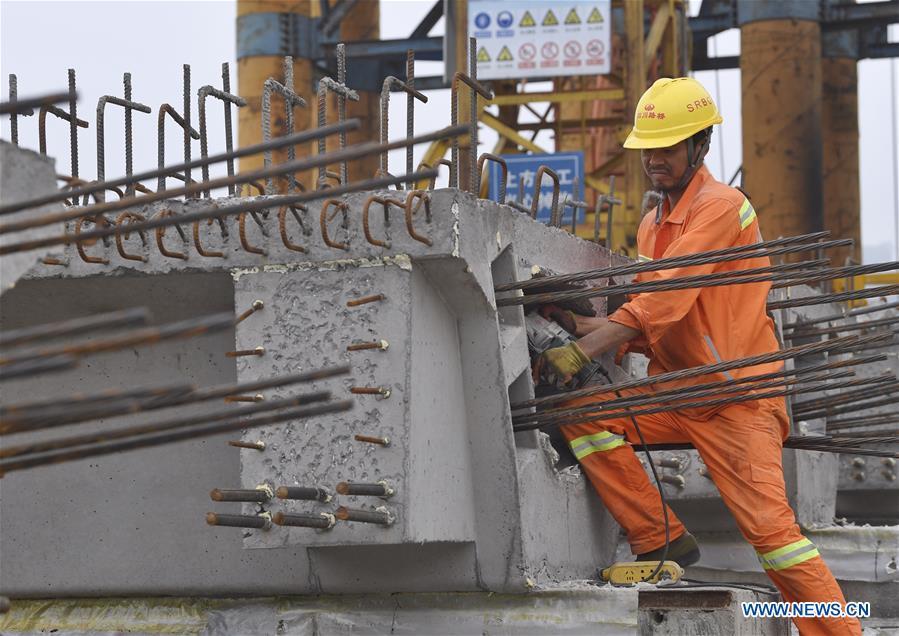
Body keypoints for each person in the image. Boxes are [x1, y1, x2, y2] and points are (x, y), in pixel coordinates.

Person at [535, 77, 861, 636]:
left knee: (774, 539)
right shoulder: (653, 223)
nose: (655, 160)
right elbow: (650, 317)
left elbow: (663, 300)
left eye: (668, 147)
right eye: (648, 150)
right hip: (681, 390)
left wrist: (584, 348)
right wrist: (581, 323)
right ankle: (658, 534)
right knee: (584, 414)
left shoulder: (722, 205)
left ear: (700, 146)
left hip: (736, 396)